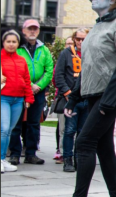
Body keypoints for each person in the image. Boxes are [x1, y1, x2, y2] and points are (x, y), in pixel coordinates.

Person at [44, 0, 116, 197]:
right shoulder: (97, 27)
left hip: (112, 95)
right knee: (103, 146)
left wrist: (108, 101)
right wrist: (73, 98)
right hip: (96, 94)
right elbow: (89, 67)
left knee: (84, 141)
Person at [7, 19, 53, 166]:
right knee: (16, 123)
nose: (32, 31)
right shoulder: (18, 48)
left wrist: (38, 86)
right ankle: (14, 153)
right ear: (24, 30)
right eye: (29, 29)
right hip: (20, 90)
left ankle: (31, 153)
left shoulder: (44, 49)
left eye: (35, 29)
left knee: (34, 123)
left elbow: (49, 70)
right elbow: (14, 68)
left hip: (37, 92)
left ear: (38, 31)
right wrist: (29, 84)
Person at [53, 28, 88, 172]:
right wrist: (68, 93)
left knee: (82, 130)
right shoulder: (66, 54)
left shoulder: (90, 54)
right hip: (71, 99)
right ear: (74, 39)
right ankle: (67, 159)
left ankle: (78, 159)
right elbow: (59, 76)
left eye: (83, 39)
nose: (80, 42)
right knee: (69, 130)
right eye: (78, 39)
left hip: (86, 98)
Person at [2, 31, 34, 173]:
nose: (11, 44)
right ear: (3, 42)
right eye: (8, 41)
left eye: (14, 42)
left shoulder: (21, 60)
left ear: (18, 43)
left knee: (9, 131)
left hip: (18, 99)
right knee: (3, 129)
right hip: (3, 98)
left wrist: (28, 98)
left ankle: (3, 159)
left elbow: (27, 81)